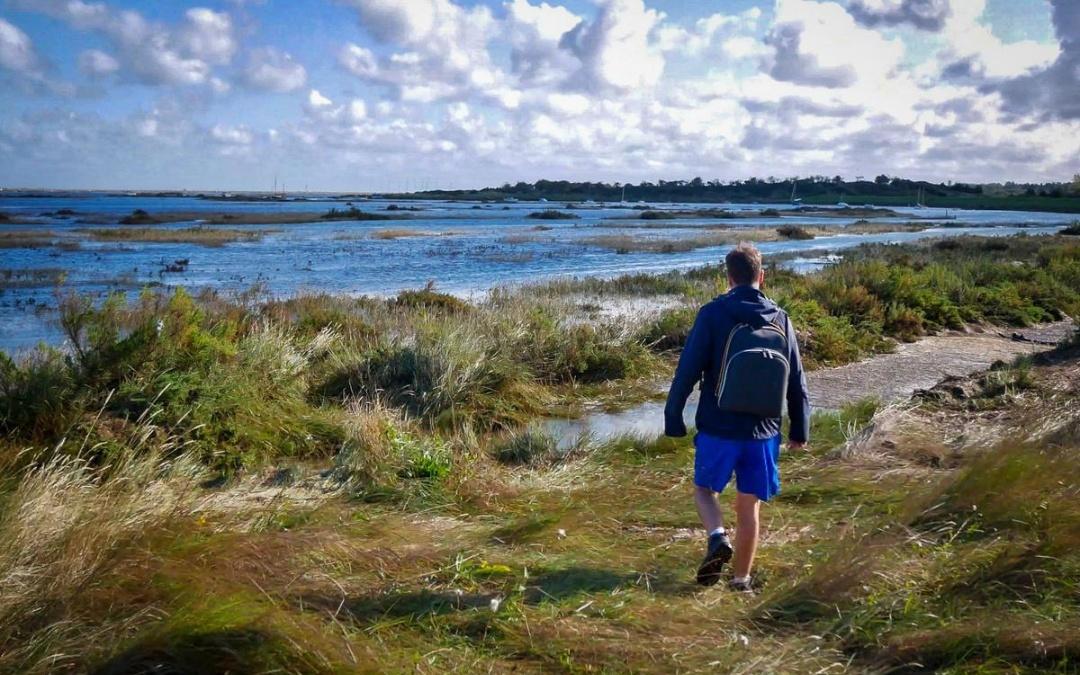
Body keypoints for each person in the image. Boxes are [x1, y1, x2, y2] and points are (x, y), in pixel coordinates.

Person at [664, 242, 810, 592]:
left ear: (728, 277)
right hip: (763, 431)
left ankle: (717, 538)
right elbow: (796, 380)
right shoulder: (781, 318)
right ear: (762, 276)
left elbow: (687, 371)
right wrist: (800, 429)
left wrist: (674, 417)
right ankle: (741, 581)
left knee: (704, 491)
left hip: (718, 425)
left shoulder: (713, 313)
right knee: (750, 509)